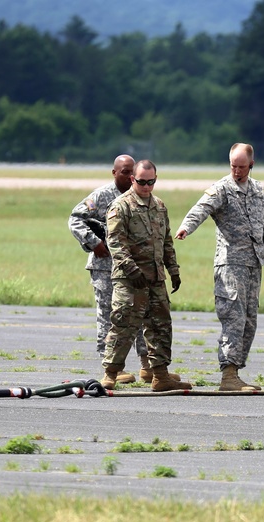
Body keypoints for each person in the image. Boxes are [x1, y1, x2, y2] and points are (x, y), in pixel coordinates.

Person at [175, 143, 264, 392]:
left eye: (242, 167)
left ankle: (236, 372)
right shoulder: (222, 189)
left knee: (249, 320)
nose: (237, 171)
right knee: (233, 319)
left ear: (251, 165)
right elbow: (201, 209)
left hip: (254, 264)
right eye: (233, 165)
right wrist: (186, 227)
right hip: (230, 264)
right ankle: (228, 375)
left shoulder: (257, 191)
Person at [101, 159, 190, 392]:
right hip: (130, 279)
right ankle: (110, 373)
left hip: (155, 277)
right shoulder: (121, 206)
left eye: (151, 182)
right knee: (124, 325)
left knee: (161, 325)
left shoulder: (159, 206)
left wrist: (174, 270)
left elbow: (166, 241)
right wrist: (131, 269)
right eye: (142, 182)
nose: (146, 186)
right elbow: (115, 242)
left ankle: (160, 375)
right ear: (133, 179)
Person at [67, 155, 149, 384]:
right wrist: (94, 243)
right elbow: (75, 219)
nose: (129, 175)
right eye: (124, 171)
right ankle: (111, 367)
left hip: (133, 267)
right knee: (110, 315)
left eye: (132, 171)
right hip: (105, 267)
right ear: (114, 173)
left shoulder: (140, 195)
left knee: (141, 314)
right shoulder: (101, 196)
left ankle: (147, 365)